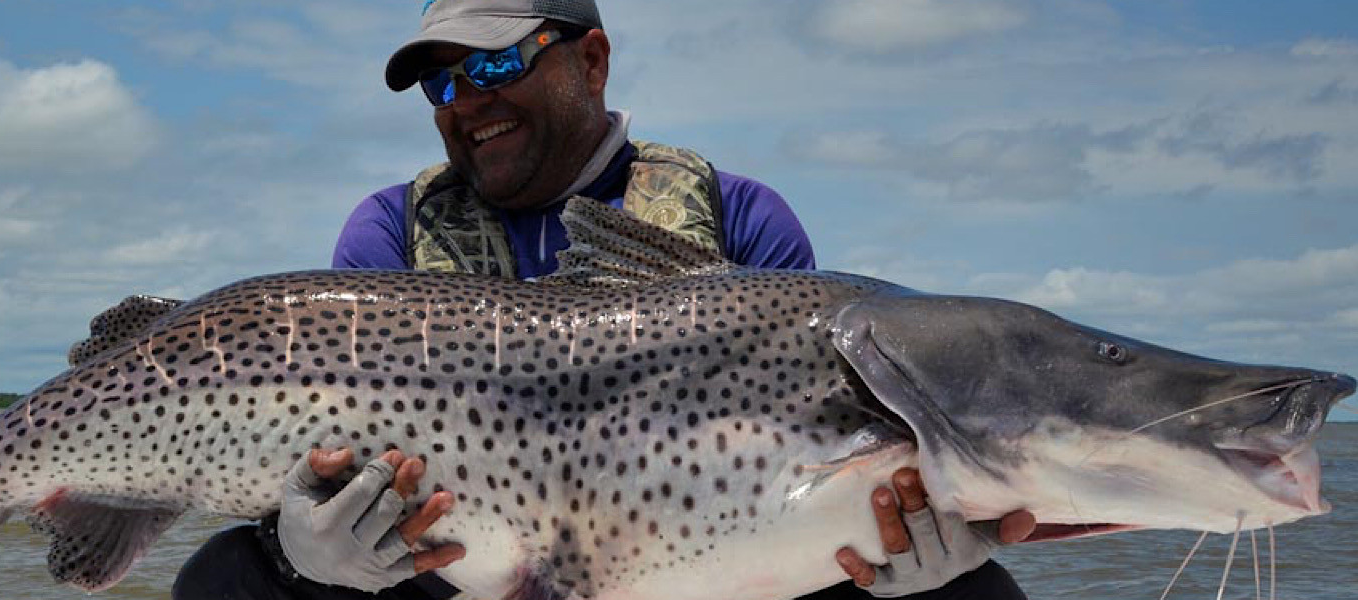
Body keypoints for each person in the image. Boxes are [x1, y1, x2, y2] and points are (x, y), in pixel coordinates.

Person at [171, 2, 1032, 599]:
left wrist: (911, 545)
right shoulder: (388, 233)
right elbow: (329, 449)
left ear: (593, 59)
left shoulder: (742, 217)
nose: (470, 101)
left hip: (705, 557)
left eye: (498, 63)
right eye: (444, 83)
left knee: (970, 590)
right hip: (458, 565)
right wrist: (308, 546)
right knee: (227, 580)